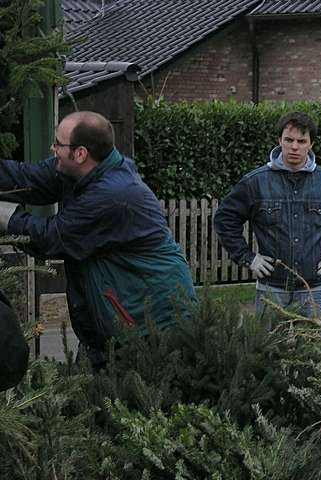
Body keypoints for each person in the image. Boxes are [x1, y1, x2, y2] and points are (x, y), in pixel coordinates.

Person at [0, 111, 196, 368]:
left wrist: (4, 215)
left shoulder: (113, 194)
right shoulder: (79, 171)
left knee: (133, 399)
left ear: (80, 153)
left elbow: (50, 238)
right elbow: (25, 179)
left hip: (150, 325)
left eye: (58, 143)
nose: (53, 148)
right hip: (114, 323)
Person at [213, 111, 321, 321]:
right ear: (279, 141)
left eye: (302, 141)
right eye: (289, 140)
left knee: (317, 352)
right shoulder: (256, 182)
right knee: (269, 350)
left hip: (314, 290)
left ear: (311, 144)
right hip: (271, 288)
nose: (295, 147)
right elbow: (225, 218)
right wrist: (247, 257)